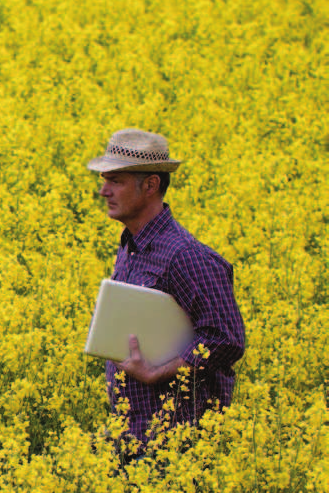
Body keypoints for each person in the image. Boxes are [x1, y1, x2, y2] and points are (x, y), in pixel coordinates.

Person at [87, 128, 246, 459]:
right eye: (104, 180)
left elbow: (226, 338)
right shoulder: (132, 246)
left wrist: (160, 371)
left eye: (115, 181)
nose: (104, 191)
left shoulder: (186, 255)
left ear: (150, 185)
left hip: (176, 446)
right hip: (131, 433)